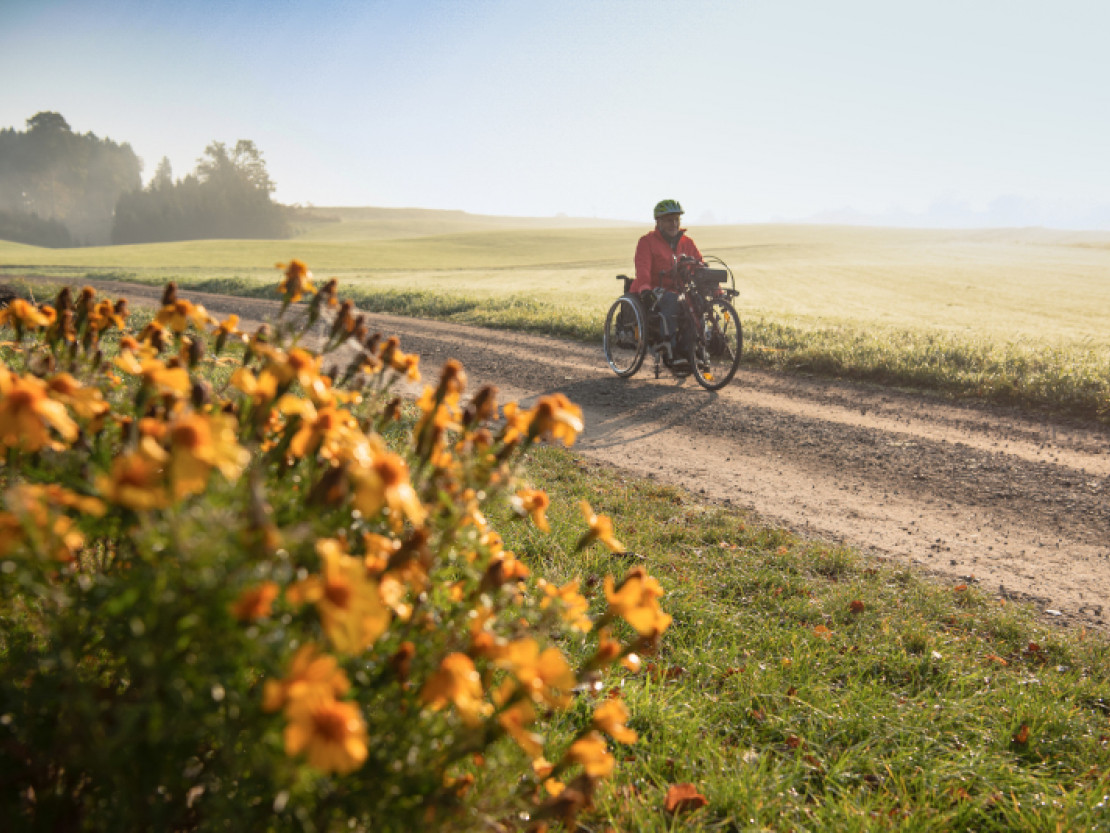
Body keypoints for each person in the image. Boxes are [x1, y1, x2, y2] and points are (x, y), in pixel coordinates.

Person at [630, 199, 703, 365]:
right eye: (669, 220)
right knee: (671, 300)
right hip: (654, 287)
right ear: (659, 222)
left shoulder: (687, 242)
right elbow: (642, 269)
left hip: (678, 290)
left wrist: (716, 291)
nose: (674, 223)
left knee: (696, 304)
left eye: (677, 219)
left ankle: (690, 351)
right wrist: (645, 289)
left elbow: (699, 266)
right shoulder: (647, 242)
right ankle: (671, 350)